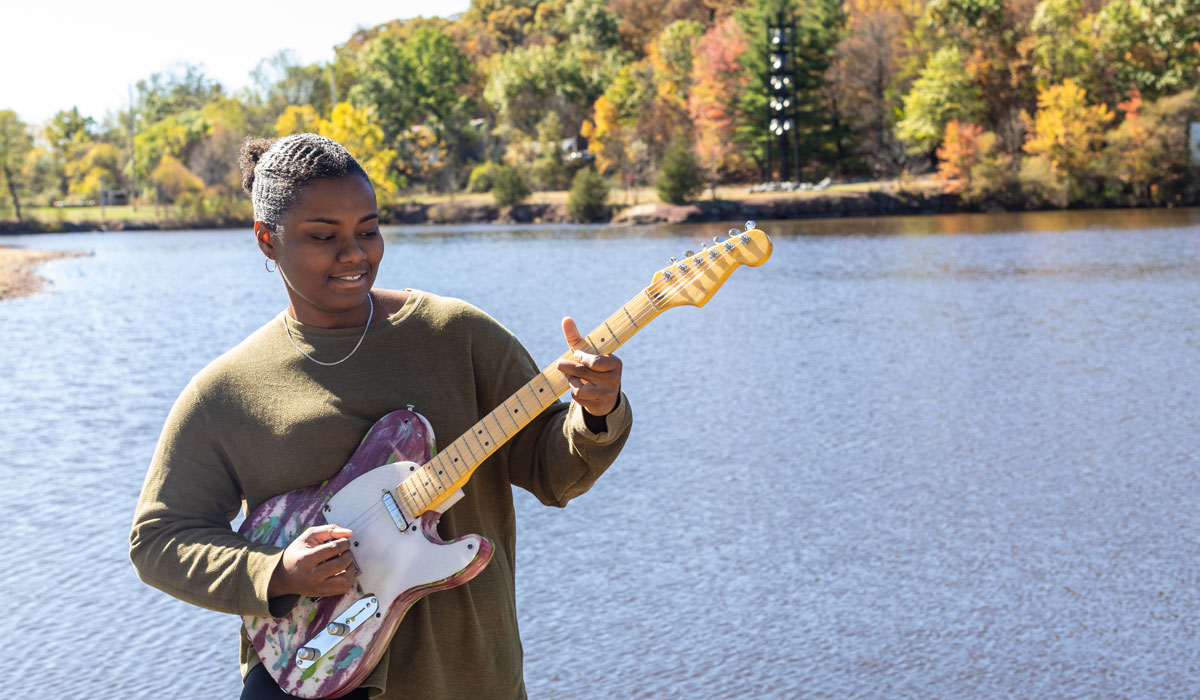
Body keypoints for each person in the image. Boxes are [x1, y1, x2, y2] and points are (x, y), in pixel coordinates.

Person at [129, 133, 632, 699]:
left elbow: (554, 472)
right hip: (305, 675)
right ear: (267, 240)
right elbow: (159, 538)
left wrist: (597, 411)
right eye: (324, 236)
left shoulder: (458, 337)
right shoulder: (227, 391)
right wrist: (276, 573)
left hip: (461, 678)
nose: (354, 253)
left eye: (368, 230)